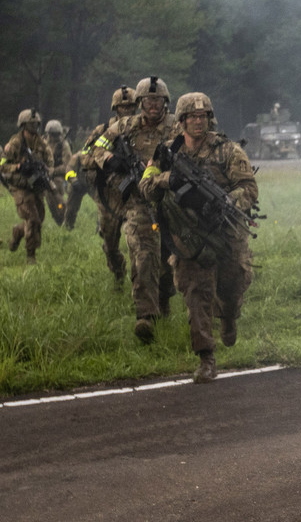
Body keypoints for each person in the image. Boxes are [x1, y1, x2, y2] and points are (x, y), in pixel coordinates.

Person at [139, 92, 257, 384]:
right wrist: (167, 180)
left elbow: (249, 188)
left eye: (202, 116)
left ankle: (228, 316)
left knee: (233, 286)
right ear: (181, 121)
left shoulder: (227, 150)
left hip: (226, 233)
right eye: (191, 117)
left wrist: (226, 202)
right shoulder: (166, 152)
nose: (197, 121)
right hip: (188, 237)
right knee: (196, 295)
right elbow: (145, 187)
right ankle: (206, 358)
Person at [88, 76, 178, 342]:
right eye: (148, 100)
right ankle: (145, 315)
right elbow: (97, 148)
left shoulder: (176, 126)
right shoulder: (124, 126)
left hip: (169, 199)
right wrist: (110, 160)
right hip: (137, 201)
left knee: (168, 259)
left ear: (165, 102)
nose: (153, 105)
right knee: (143, 253)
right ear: (140, 102)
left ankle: (163, 300)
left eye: (158, 100)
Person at [71, 85, 139, 281]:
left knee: (138, 243)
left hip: (134, 195)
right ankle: (119, 273)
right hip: (108, 196)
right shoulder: (103, 131)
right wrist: (108, 160)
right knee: (110, 245)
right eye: (123, 107)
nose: (127, 111)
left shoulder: (141, 130)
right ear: (115, 108)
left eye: (131, 107)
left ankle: (140, 283)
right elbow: (84, 157)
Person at [0, 109, 56, 264]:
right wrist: (17, 167)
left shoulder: (42, 143)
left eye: (36, 124)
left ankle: (18, 231)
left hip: (36, 186)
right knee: (33, 219)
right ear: (23, 125)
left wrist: (46, 171)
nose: (34, 127)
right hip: (20, 186)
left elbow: (50, 163)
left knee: (39, 219)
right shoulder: (15, 144)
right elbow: (2, 165)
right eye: (31, 124)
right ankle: (31, 255)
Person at [44, 120, 73, 227]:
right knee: (50, 202)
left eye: (55, 134)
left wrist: (53, 171)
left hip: (59, 177)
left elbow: (67, 165)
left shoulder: (64, 145)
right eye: (51, 134)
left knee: (59, 201)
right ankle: (59, 220)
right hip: (45, 175)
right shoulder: (43, 143)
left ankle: (66, 219)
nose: (53, 137)